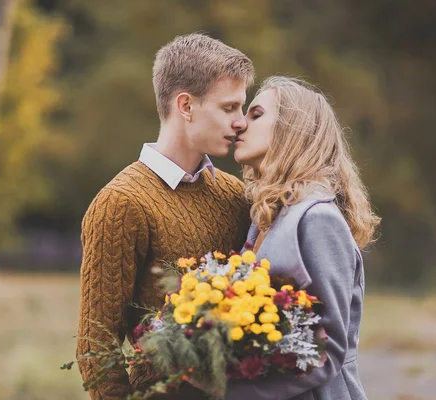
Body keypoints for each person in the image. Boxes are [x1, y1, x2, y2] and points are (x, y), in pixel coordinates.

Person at [76, 33, 254, 400]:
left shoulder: (237, 196)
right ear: (186, 106)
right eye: (229, 108)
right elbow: (97, 347)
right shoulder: (121, 203)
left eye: (243, 108)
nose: (241, 123)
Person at [226, 76, 381, 400]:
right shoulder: (266, 216)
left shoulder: (317, 219)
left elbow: (326, 349)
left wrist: (236, 391)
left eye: (256, 115)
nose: (240, 124)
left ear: (291, 128)